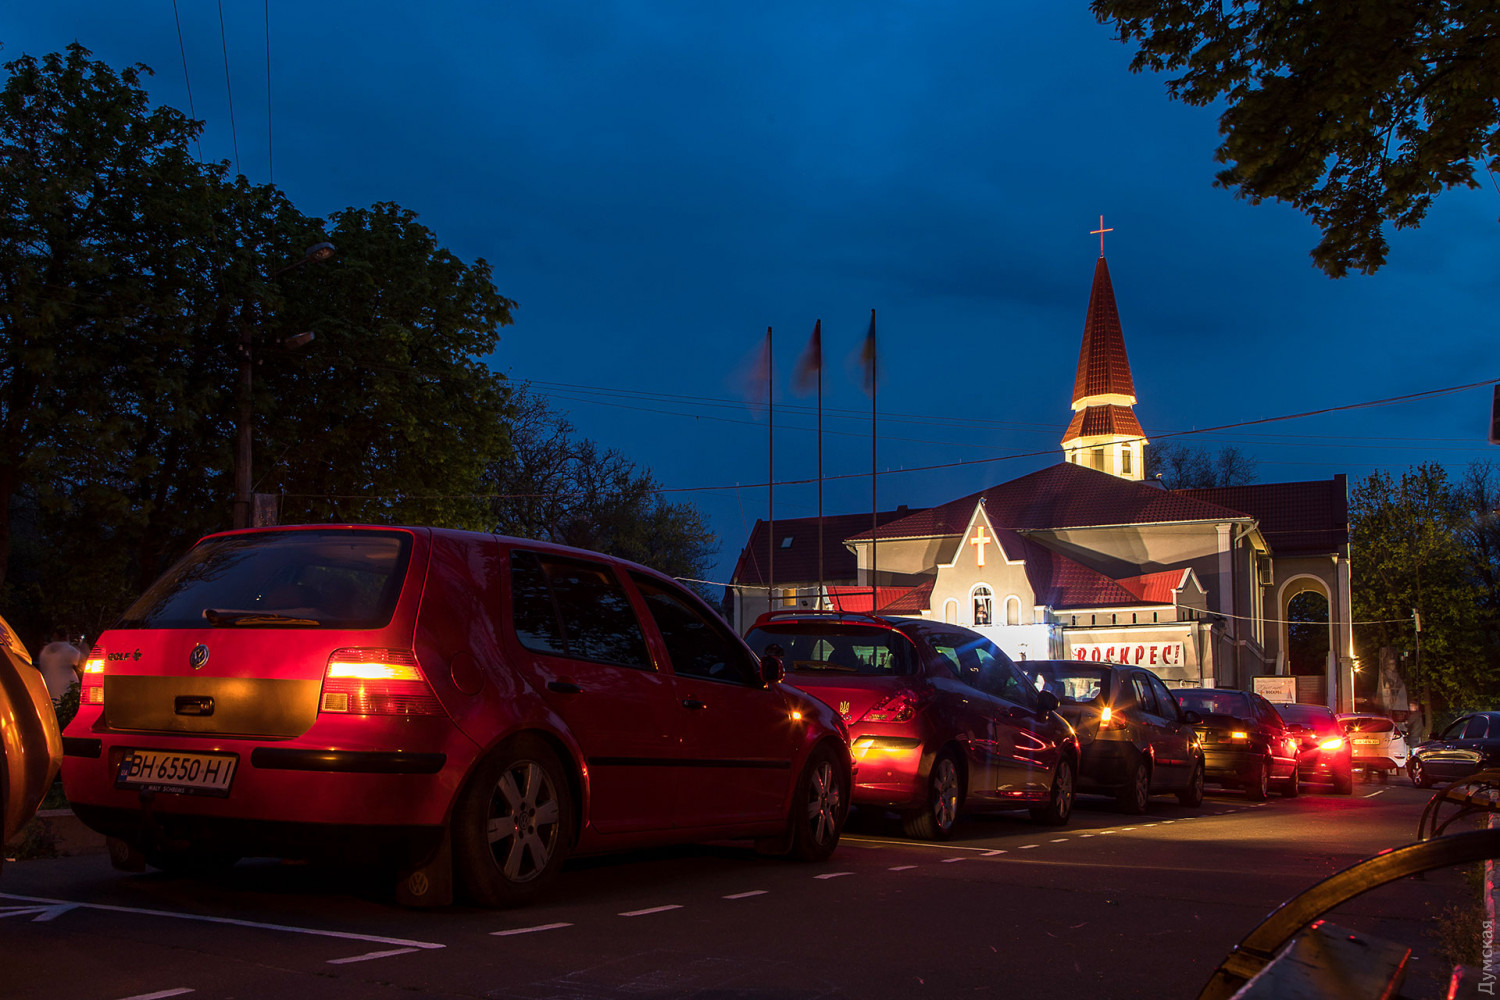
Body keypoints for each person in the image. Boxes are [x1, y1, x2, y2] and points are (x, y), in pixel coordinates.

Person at [38, 630, 82, 706]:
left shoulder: (45, 651)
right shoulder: (68, 649)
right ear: (66, 637)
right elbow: (78, 660)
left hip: (49, 688)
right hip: (66, 689)